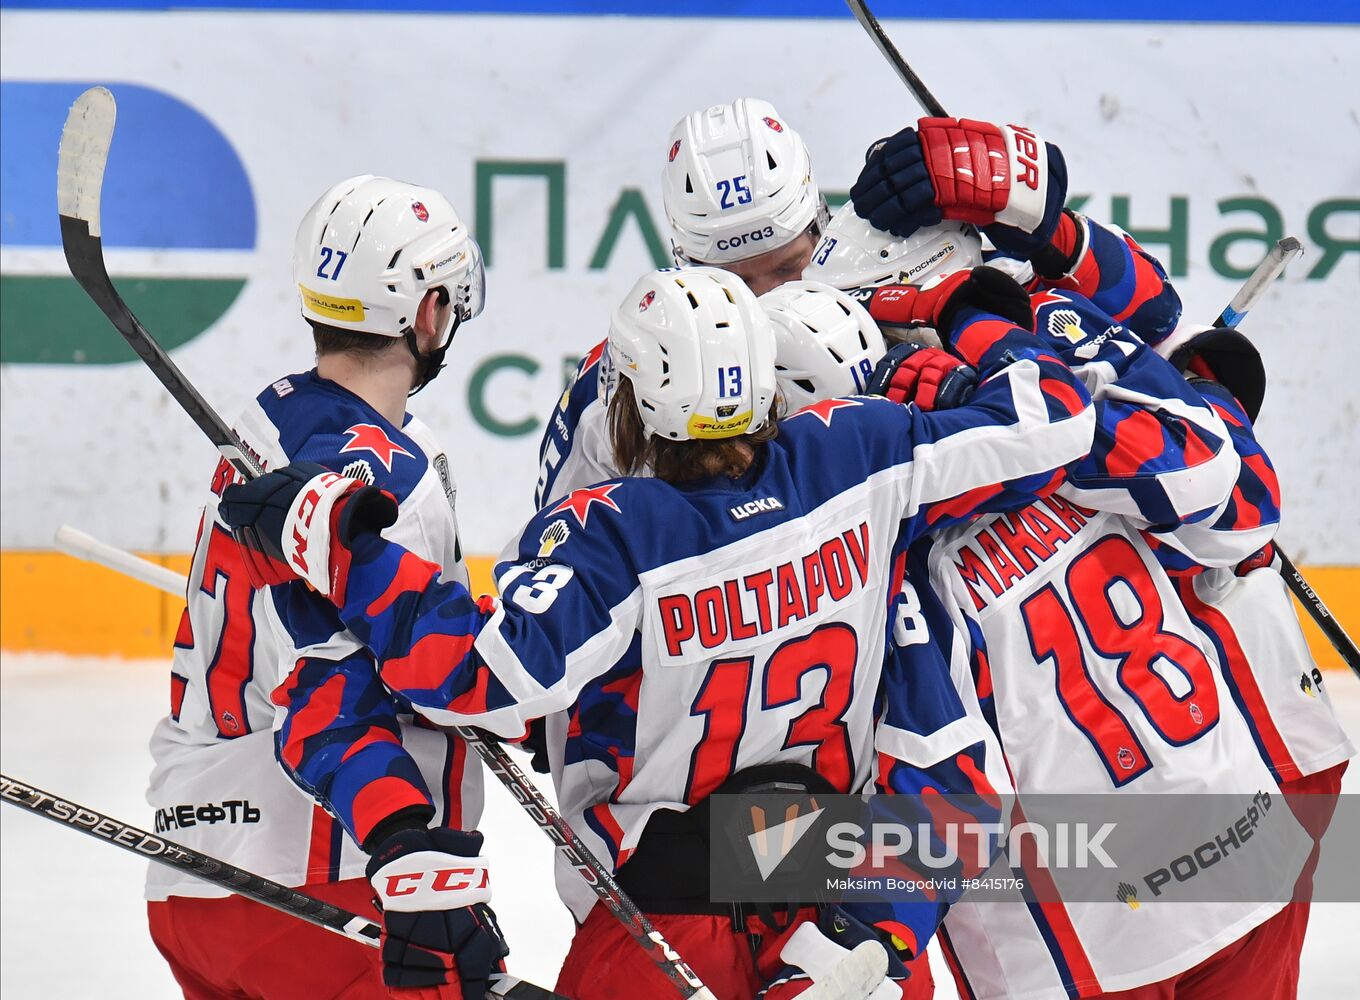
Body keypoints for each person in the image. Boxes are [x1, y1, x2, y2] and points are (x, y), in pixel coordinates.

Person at [217, 263, 1099, 999]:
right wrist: (970, 324)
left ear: (631, 403)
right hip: (841, 906)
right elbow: (1055, 421)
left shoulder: (617, 533)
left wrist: (339, 546)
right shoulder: (858, 455)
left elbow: (474, 678)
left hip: (663, 927)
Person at [838, 116, 1323, 998]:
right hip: (1232, 833)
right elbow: (1233, 491)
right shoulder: (1061, 364)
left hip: (1077, 922)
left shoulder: (874, 447)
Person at [145, 175, 501, 999]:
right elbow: (327, 689)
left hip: (188, 880)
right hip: (332, 878)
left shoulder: (260, 419)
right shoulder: (386, 481)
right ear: (428, 312)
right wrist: (405, 843)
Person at [536, 97, 827, 510]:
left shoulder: (886, 309)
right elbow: (557, 547)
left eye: (788, 267)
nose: (767, 299)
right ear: (685, 265)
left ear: (821, 227)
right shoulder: (614, 392)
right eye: (737, 282)